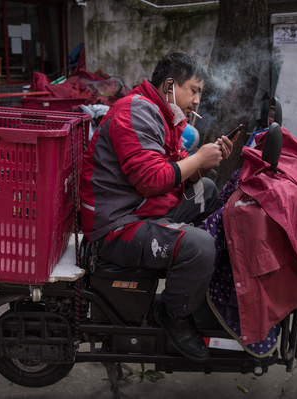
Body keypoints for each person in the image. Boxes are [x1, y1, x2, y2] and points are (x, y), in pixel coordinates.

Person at [79, 53, 239, 362]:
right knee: (200, 245)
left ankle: (195, 280)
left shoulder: (162, 114)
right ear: (169, 85)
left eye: (200, 93)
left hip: (141, 208)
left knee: (206, 189)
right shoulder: (135, 112)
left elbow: (174, 175)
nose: (197, 100)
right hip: (116, 225)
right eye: (193, 90)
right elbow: (151, 180)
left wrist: (204, 164)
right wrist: (198, 159)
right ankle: (174, 314)